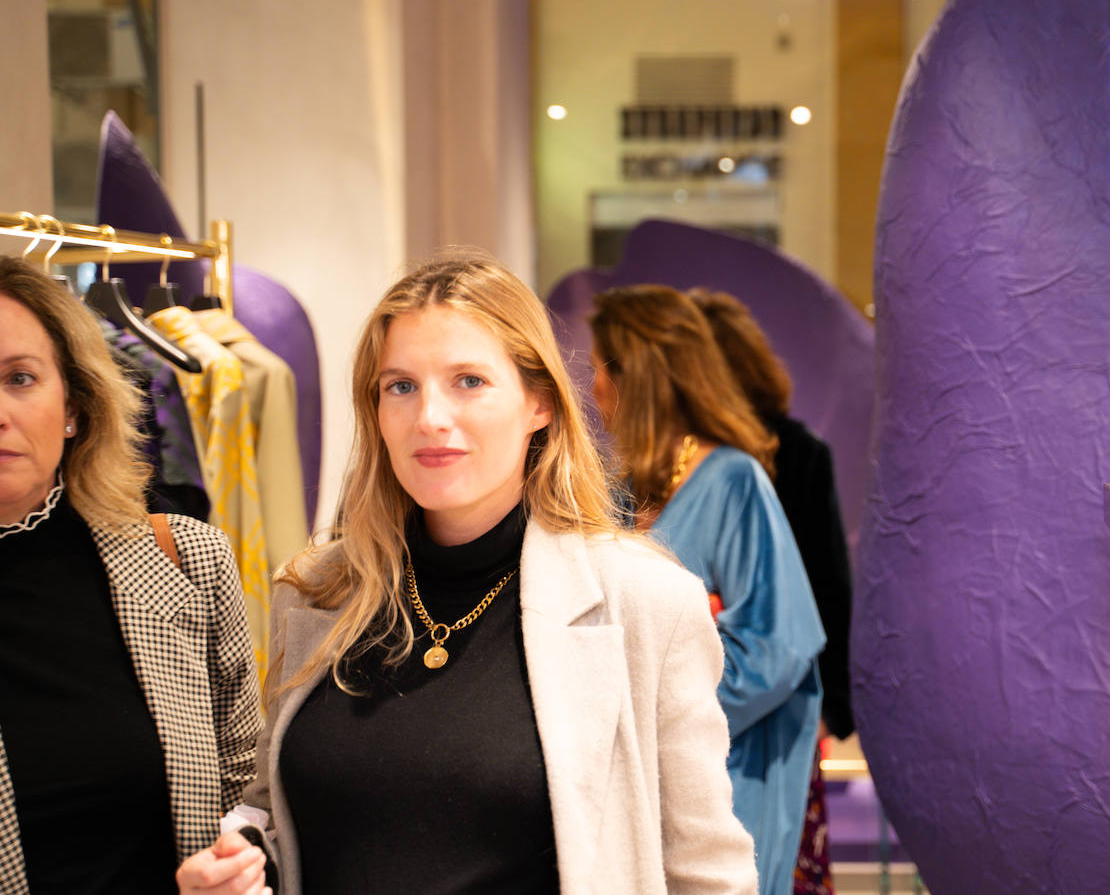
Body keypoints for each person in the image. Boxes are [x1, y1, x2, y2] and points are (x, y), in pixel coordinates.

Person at [177, 248, 756, 895]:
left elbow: (707, 872)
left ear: (540, 403)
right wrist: (241, 863)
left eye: (469, 381)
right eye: (401, 386)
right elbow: (274, 809)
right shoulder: (317, 591)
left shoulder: (645, 601)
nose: (430, 418)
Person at [0, 256, 262, 892]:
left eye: (19, 378)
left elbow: (248, 791)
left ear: (73, 405)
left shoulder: (188, 561)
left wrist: (238, 865)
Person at [588, 284, 827, 895]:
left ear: (636, 376)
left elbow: (778, 646)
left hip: (720, 775)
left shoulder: (733, 481)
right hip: (635, 784)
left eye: (598, 370)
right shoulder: (621, 491)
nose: (592, 389)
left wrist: (656, 707)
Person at [689, 288, 855, 894]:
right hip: (702, 699)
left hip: (777, 696)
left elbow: (827, 583)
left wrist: (829, 708)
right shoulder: (669, 459)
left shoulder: (795, 453)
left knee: (777, 857)